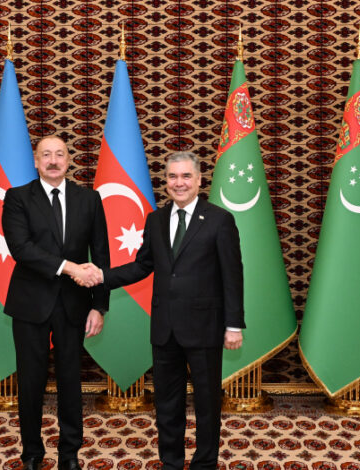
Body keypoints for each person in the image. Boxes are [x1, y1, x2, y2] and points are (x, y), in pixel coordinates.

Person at [88, 151, 245, 470]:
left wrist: (233, 325)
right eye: (173, 176)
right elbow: (142, 266)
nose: (179, 183)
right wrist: (103, 276)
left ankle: (204, 464)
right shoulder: (155, 220)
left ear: (199, 180)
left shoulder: (220, 220)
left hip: (205, 327)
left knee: (207, 403)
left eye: (186, 176)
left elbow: (232, 275)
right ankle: (171, 462)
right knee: (167, 404)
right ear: (166, 181)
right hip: (164, 328)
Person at [1, 135, 109, 470]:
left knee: (70, 382)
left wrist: (99, 306)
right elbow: (21, 248)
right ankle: (32, 453)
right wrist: (70, 268)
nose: (52, 160)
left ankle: (69, 454)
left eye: (59, 154)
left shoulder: (89, 199)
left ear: (68, 160)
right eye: (45, 154)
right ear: (36, 161)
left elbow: (101, 253)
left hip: (74, 305)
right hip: (30, 303)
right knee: (30, 382)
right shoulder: (17, 197)